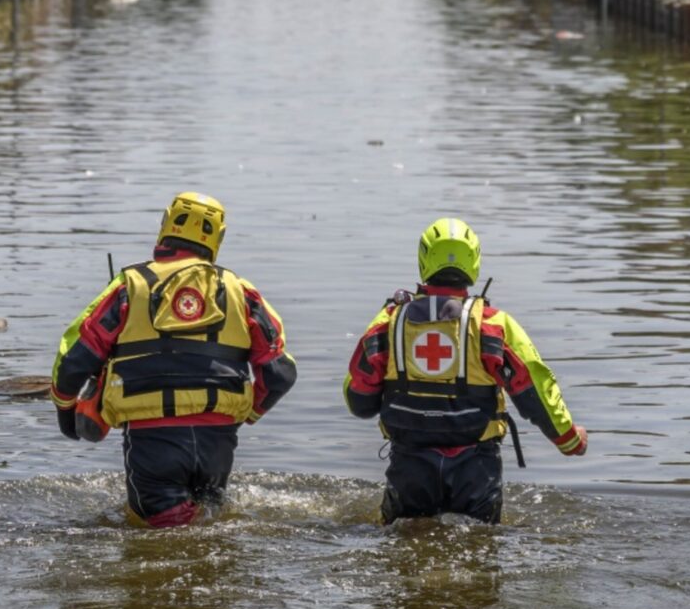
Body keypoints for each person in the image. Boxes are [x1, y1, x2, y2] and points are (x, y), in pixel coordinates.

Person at [51, 191, 298, 527]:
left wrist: (66, 412)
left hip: (153, 442)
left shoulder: (129, 285)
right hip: (219, 442)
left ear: (166, 224)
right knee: (211, 525)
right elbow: (281, 372)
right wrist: (245, 415)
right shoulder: (241, 291)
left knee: (162, 538)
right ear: (218, 238)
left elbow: (74, 359)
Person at [344, 218, 586, 525]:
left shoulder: (389, 321)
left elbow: (358, 402)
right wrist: (568, 439)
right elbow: (534, 389)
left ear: (423, 260)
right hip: (476, 467)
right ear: (474, 261)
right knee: (481, 548)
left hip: (410, 465)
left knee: (405, 548)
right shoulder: (493, 325)